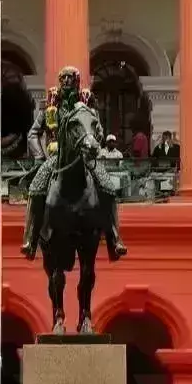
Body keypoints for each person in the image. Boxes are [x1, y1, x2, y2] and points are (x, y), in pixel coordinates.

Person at [22, 66, 128, 261]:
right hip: (56, 158)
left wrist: (92, 142)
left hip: (85, 156)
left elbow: (99, 131)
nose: (66, 82)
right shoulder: (51, 107)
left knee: (107, 187)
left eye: (70, 78)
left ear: (77, 81)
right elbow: (33, 134)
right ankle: (31, 238)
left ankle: (114, 238)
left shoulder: (87, 106)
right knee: (36, 188)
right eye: (63, 78)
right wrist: (39, 156)